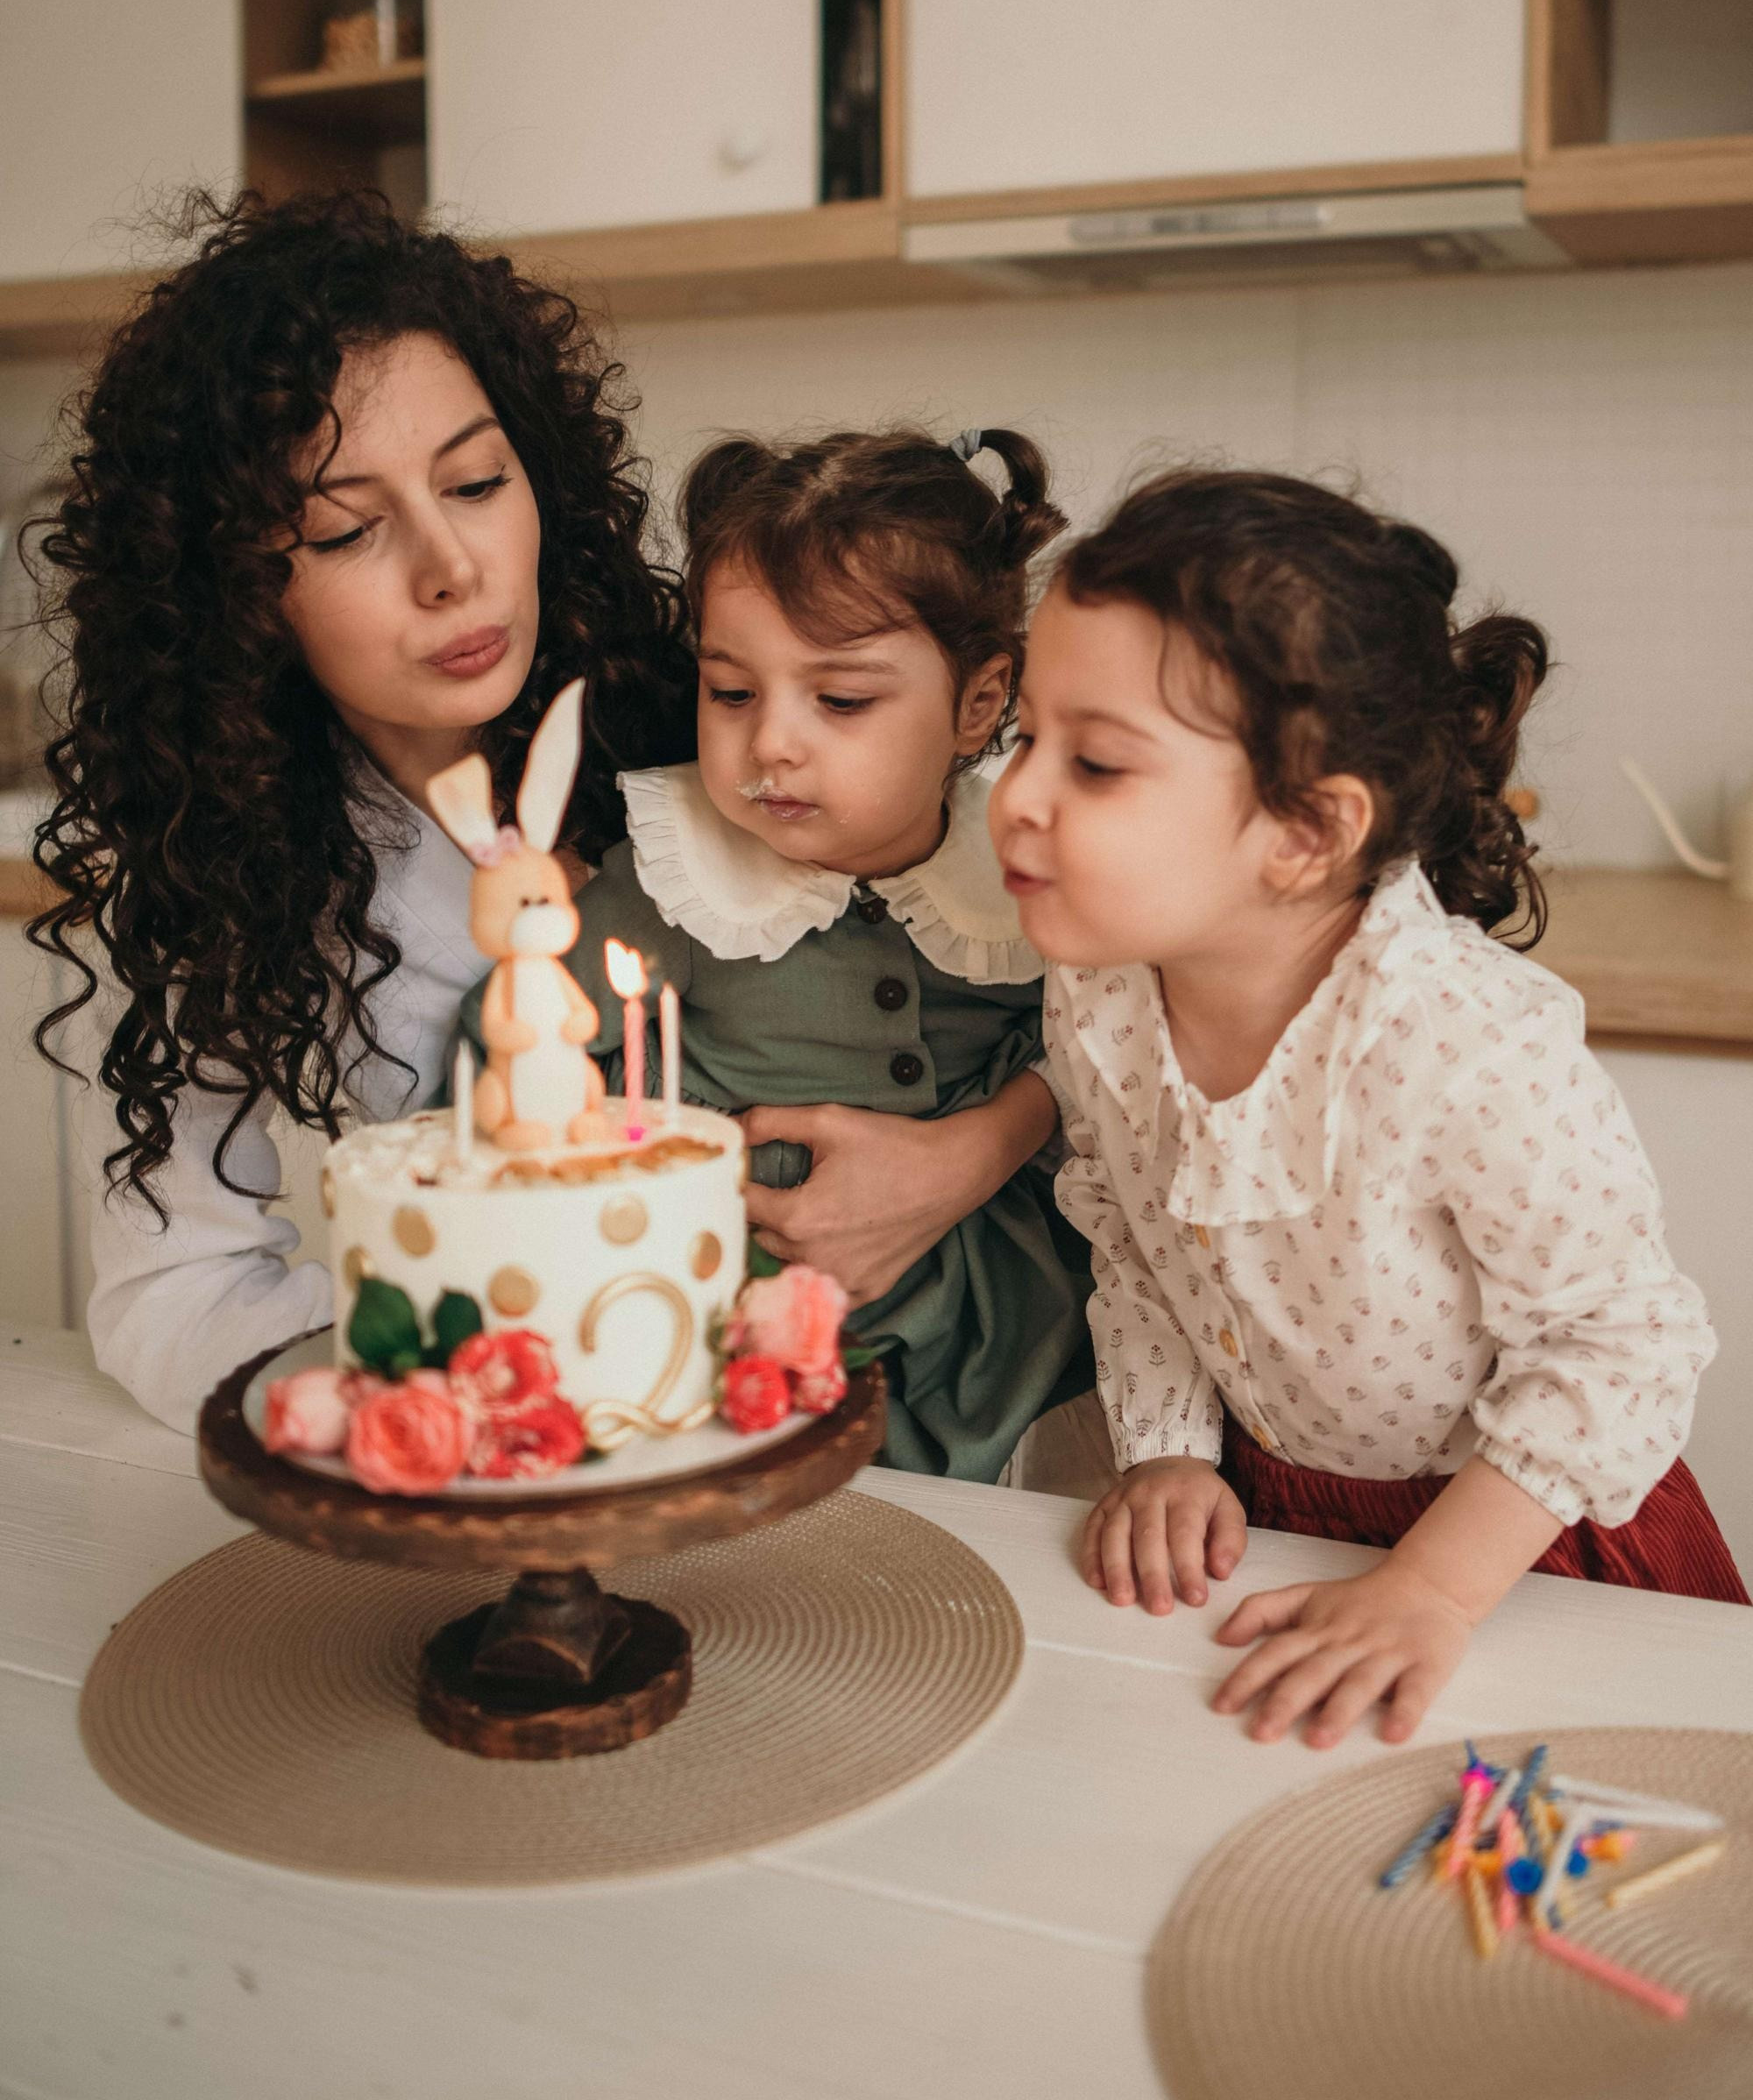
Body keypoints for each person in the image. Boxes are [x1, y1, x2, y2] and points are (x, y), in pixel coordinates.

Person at [34, 195, 1048, 1436]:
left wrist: (974, 1154)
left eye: (474, 480)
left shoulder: (727, 725)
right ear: (237, 591)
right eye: (348, 528)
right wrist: (467, 1403)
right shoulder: (216, 874)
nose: (450, 565)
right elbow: (173, 1293)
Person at [991, 466, 1744, 1749]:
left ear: (1305, 834)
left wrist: (1434, 1590)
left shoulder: (1467, 1045)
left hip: (1519, 1546)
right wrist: (1170, 1445)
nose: (1015, 795)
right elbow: (1128, 1226)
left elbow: (1621, 1351)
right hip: (1276, 1517)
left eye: (1097, 763)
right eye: (1022, 737)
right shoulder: (1099, 993)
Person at [470, 426, 1094, 1479]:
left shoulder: (1032, 858)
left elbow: (1118, 1056)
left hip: (997, 1332)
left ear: (979, 703)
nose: (771, 744)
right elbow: (532, 1047)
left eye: (840, 699)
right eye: (731, 690)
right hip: (725, 1328)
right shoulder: (672, 877)